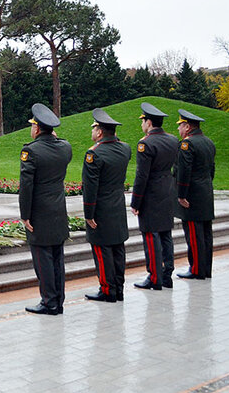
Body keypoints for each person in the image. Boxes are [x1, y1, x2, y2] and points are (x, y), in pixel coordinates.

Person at [19, 103, 73, 316]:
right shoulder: (65, 147)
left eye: (33, 126)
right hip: (58, 210)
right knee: (57, 258)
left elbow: (26, 187)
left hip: (39, 213)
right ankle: (58, 300)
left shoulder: (31, 151)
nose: (31, 130)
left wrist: (25, 214)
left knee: (42, 260)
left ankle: (49, 302)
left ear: (38, 128)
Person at [82, 108, 132, 303]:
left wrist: (89, 213)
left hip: (101, 208)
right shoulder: (125, 148)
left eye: (94, 129)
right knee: (118, 248)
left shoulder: (94, 155)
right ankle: (118, 288)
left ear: (100, 132)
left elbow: (90, 188)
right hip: (118, 205)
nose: (92, 132)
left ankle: (107, 290)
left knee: (102, 250)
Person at [131, 103, 179, 291]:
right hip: (167, 190)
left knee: (151, 235)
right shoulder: (173, 140)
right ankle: (167, 275)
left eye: (143, 121)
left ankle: (154, 276)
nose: (142, 124)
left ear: (149, 122)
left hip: (151, 194)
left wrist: (136, 202)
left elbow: (142, 176)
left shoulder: (146, 144)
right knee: (166, 234)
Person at [174, 109, 216, 280]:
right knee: (206, 233)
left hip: (191, 195)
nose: (178, 130)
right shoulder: (208, 142)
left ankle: (196, 269)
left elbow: (183, 172)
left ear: (188, 127)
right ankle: (206, 269)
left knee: (194, 234)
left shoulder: (187, 144)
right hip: (205, 191)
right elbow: (211, 170)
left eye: (180, 126)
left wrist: (181, 195)